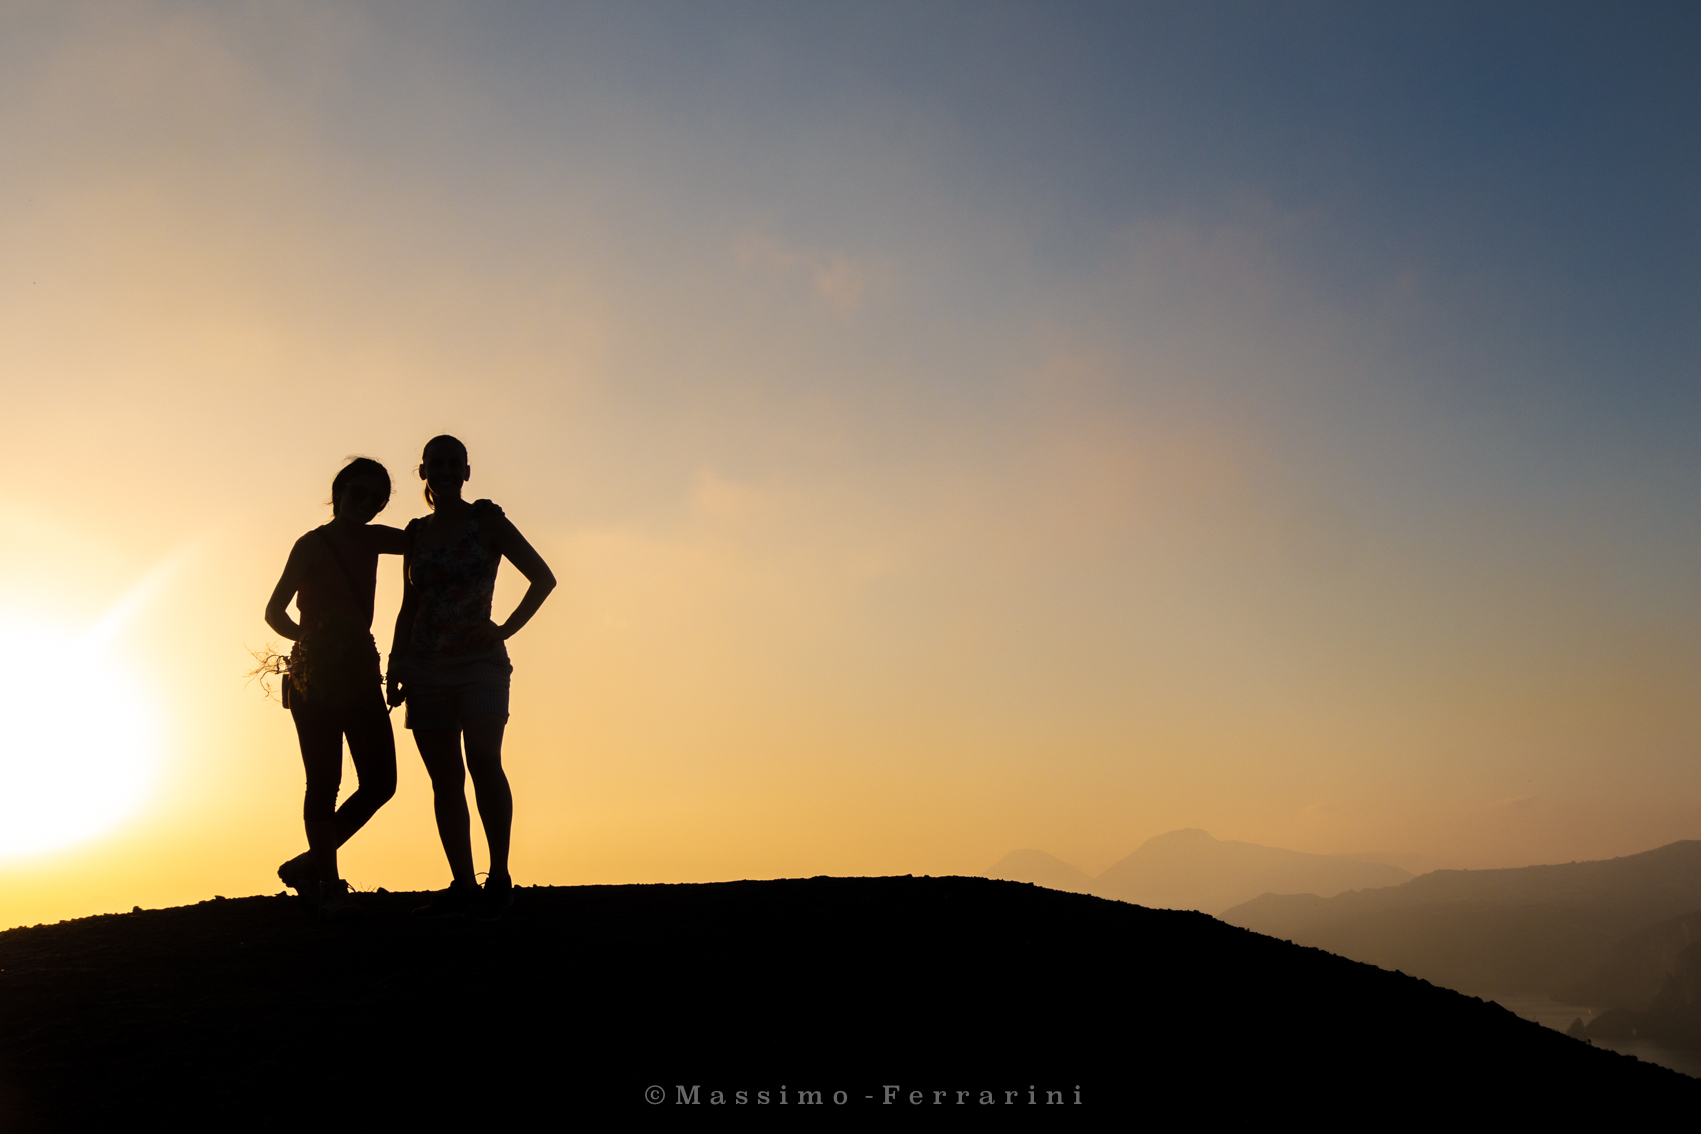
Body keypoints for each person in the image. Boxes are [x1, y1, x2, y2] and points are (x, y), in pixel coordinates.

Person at [388, 435, 556, 921]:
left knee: (484, 760)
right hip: (424, 665)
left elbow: (542, 577)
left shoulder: (487, 522)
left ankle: (498, 877)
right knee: (445, 779)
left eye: (452, 463)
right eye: (434, 463)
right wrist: (397, 662)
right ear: (423, 471)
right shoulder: (416, 533)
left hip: (479, 664)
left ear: (465, 472)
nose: (443, 471)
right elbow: (410, 604)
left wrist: (504, 629)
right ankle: (462, 882)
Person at [264, 457, 410, 921]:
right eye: (359, 493)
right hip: (316, 676)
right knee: (324, 782)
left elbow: (427, 539)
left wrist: (478, 514)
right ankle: (329, 885)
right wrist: (310, 641)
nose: (367, 503)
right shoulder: (312, 544)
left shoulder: (375, 539)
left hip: (361, 671)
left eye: (378, 498)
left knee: (381, 782)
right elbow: (274, 611)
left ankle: (309, 865)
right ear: (340, 491)